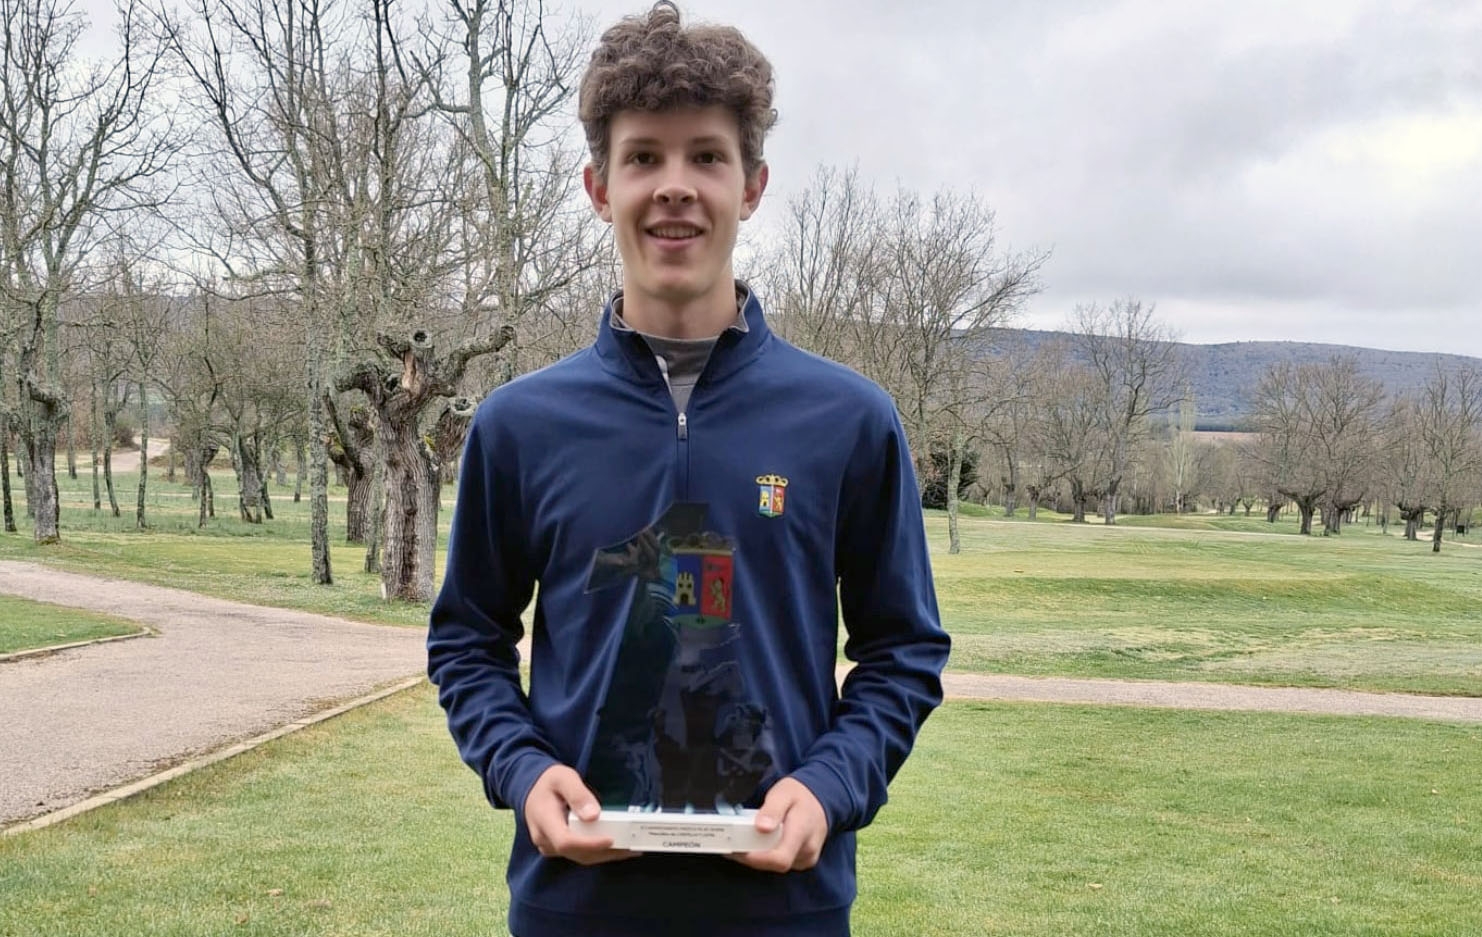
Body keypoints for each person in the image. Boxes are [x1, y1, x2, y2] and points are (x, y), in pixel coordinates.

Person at [427, 4, 950, 935]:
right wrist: (524, 770)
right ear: (599, 187)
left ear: (752, 186)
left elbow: (903, 651)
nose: (675, 186)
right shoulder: (519, 425)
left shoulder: (849, 420)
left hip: (785, 910)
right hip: (574, 907)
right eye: (644, 157)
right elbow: (468, 639)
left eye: (706, 156)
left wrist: (829, 786)